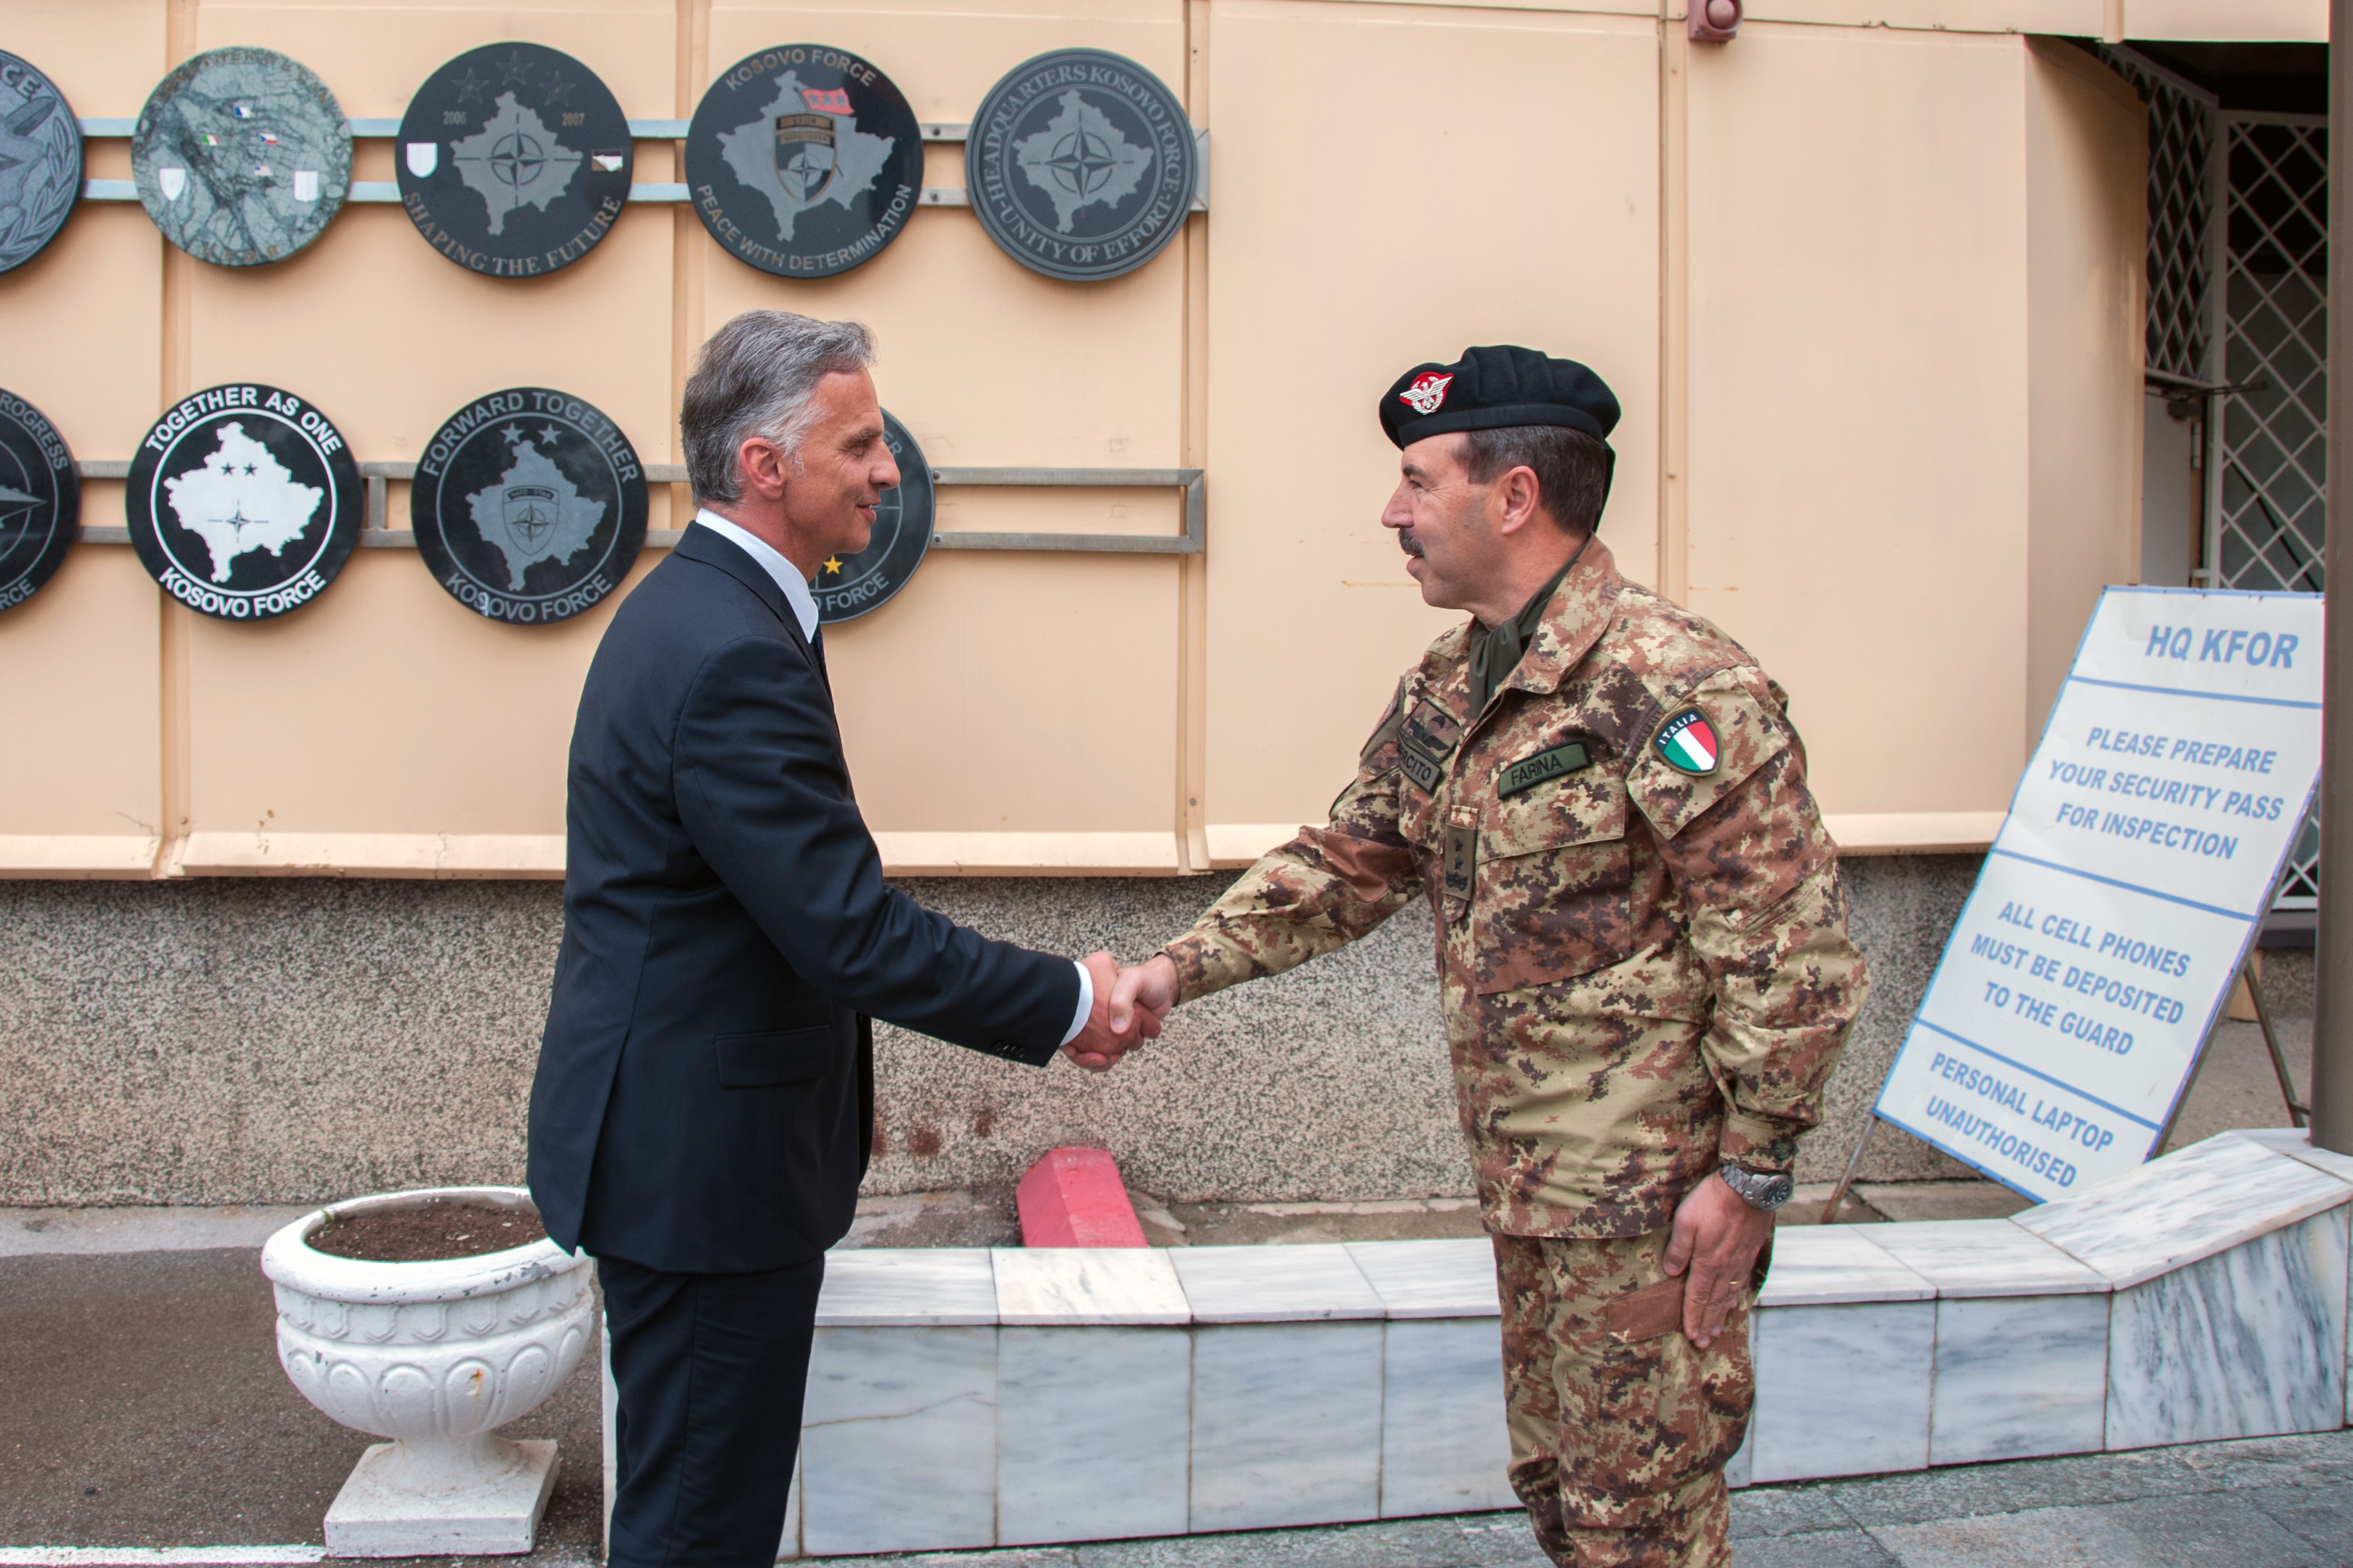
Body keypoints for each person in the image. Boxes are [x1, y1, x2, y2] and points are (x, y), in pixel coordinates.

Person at [1110, 346, 1869, 1568]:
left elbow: (1790, 951)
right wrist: (1173, 970)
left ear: (1514, 497)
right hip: (1532, 1190)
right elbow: (1353, 860)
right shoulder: (1458, 684)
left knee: (1645, 1525)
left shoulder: (1673, 688)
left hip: (1649, 1207)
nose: (1392, 512)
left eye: (1417, 481)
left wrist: (1754, 1179)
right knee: (1563, 1495)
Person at [528, 310, 1148, 1568]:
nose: (887, 469)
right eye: (862, 444)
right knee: (702, 1521)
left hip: (683, 1148)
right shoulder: (725, 650)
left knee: (695, 1494)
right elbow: (850, 935)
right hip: (703, 1170)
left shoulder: (713, 610)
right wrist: (1069, 1001)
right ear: (765, 466)